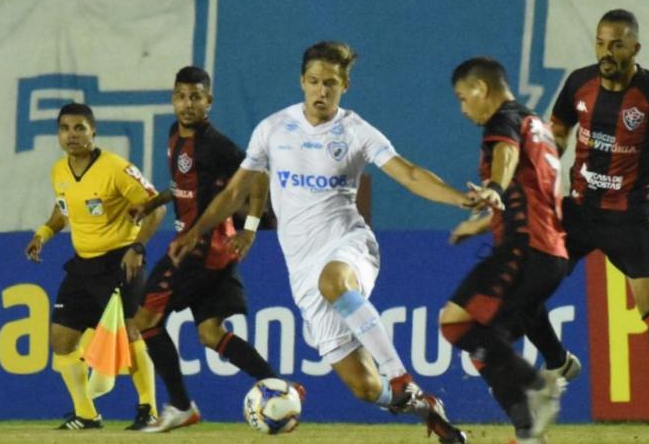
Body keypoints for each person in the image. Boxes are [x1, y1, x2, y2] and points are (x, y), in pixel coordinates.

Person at [170, 41, 471, 444]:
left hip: (348, 245)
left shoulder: (355, 131)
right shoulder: (273, 129)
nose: (321, 91)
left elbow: (410, 173)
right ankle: (426, 410)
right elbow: (233, 194)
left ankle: (402, 378)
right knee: (364, 388)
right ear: (302, 82)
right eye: (313, 81)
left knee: (334, 283)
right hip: (302, 269)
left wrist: (460, 198)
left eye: (330, 83)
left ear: (345, 84)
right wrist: (194, 232)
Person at [550, 9, 649, 435]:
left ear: (635, 48)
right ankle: (552, 363)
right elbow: (557, 130)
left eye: (616, 44)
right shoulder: (579, 83)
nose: (606, 52)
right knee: (529, 275)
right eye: (600, 42)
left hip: (630, 214)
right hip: (579, 208)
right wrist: (546, 164)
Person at [127, 66, 284, 433]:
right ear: (173, 99)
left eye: (196, 97)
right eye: (181, 96)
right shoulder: (175, 136)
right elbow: (184, 184)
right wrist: (151, 205)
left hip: (200, 249)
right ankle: (277, 388)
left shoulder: (217, 144)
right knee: (211, 333)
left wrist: (249, 230)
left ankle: (181, 406)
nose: (187, 104)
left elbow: (258, 174)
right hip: (207, 250)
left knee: (145, 320)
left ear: (208, 101)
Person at [439, 58, 570, 444]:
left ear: (482, 87)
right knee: (486, 345)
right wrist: (481, 223)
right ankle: (529, 432)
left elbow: (506, 157)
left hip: (524, 249)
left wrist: (494, 187)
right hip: (550, 254)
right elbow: (533, 192)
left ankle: (538, 386)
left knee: (456, 322)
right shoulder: (539, 127)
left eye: (464, 98)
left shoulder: (504, 121)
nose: (464, 109)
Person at [24, 103, 165, 430]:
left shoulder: (116, 168)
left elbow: (155, 206)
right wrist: (43, 233)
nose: (71, 135)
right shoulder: (58, 171)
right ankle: (86, 414)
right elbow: (64, 210)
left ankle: (149, 409)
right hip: (83, 266)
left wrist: (137, 246)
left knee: (131, 334)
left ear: (93, 131)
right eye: (65, 129)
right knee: (61, 339)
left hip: (119, 261)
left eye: (79, 128)